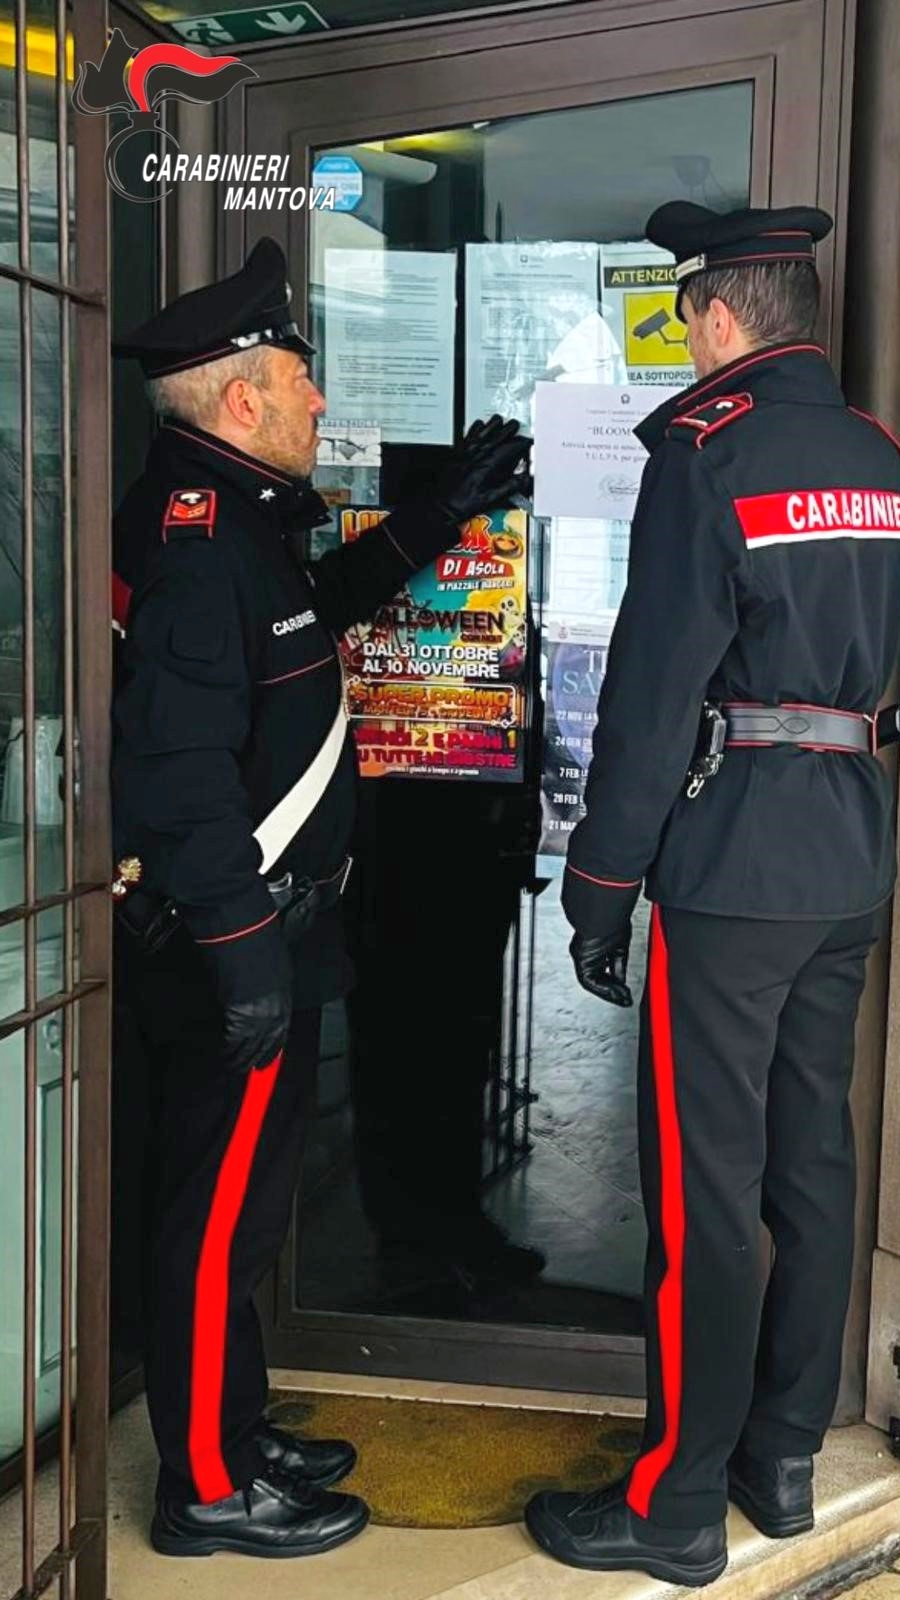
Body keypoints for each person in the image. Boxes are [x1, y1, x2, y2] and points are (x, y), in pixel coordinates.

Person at [110, 237, 530, 1560]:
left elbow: (312, 617)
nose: (319, 402)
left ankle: (231, 1428)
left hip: (278, 942)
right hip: (235, 953)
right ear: (242, 397)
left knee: (243, 1214)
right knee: (212, 1219)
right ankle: (206, 1491)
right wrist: (242, 962)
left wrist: (434, 518)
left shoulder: (239, 525)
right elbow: (175, 776)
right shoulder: (195, 546)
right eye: (301, 377)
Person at [523, 203, 900, 1587]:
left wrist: (601, 882)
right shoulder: (876, 456)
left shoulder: (708, 454)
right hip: (850, 854)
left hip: (736, 860)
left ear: (718, 318)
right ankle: (782, 1460)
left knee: (703, 1187)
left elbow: (652, 691)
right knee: (812, 1160)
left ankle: (677, 1504)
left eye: (690, 315)